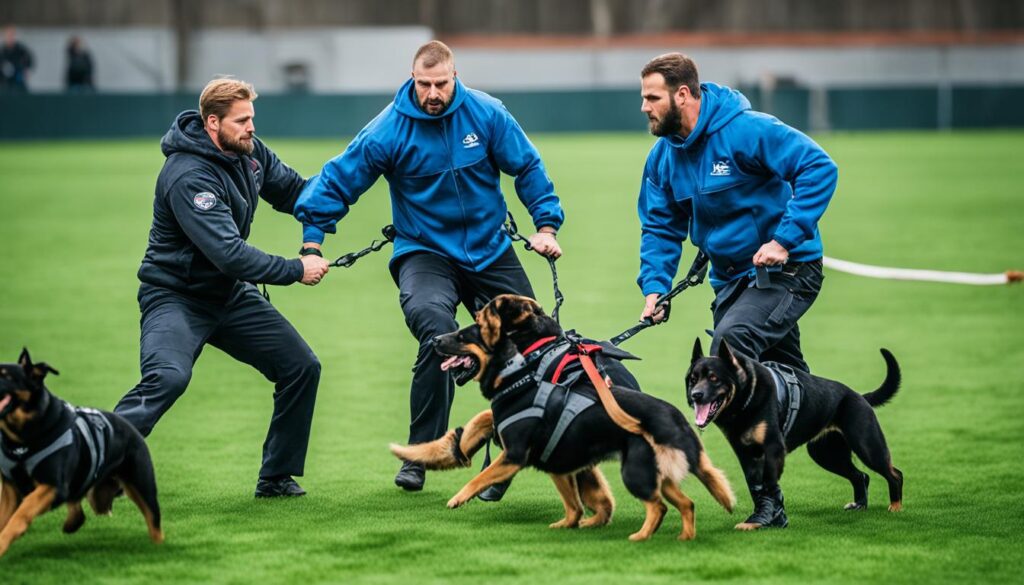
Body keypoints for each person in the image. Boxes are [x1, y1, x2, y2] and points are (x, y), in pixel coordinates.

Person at [294, 41, 563, 497]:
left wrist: (546, 226)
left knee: (534, 338)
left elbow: (528, 167)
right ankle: (422, 454)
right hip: (424, 253)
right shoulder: (388, 129)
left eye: (441, 83)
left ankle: (504, 459)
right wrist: (312, 242)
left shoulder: (487, 113)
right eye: (424, 84)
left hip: (490, 248)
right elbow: (338, 180)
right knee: (436, 331)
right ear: (412, 79)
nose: (432, 92)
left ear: (455, 76)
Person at [635, 53, 838, 525]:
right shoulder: (663, 158)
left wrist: (784, 239)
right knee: (795, 387)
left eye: (651, 97)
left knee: (731, 348)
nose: (644, 107)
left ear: (682, 95)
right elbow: (660, 227)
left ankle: (768, 504)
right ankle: (847, 445)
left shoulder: (747, 130)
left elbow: (819, 167)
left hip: (790, 271)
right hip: (732, 280)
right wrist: (655, 287)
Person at [114, 78, 330, 498]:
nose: (251, 127)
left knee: (301, 366)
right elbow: (229, 254)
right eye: (242, 120)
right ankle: (99, 458)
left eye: (252, 118)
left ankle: (276, 477)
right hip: (175, 297)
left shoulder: (249, 153)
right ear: (213, 122)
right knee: (167, 378)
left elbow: (297, 192)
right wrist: (295, 268)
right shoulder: (187, 176)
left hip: (229, 296)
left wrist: (342, 191)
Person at [0, 26, 33, 93]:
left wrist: (26, 68)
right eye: (8, 36)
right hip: (4, 83)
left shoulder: (21, 50)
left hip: (18, 81)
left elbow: (29, 60)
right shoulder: (2, 51)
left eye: (12, 35)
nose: (10, 38)